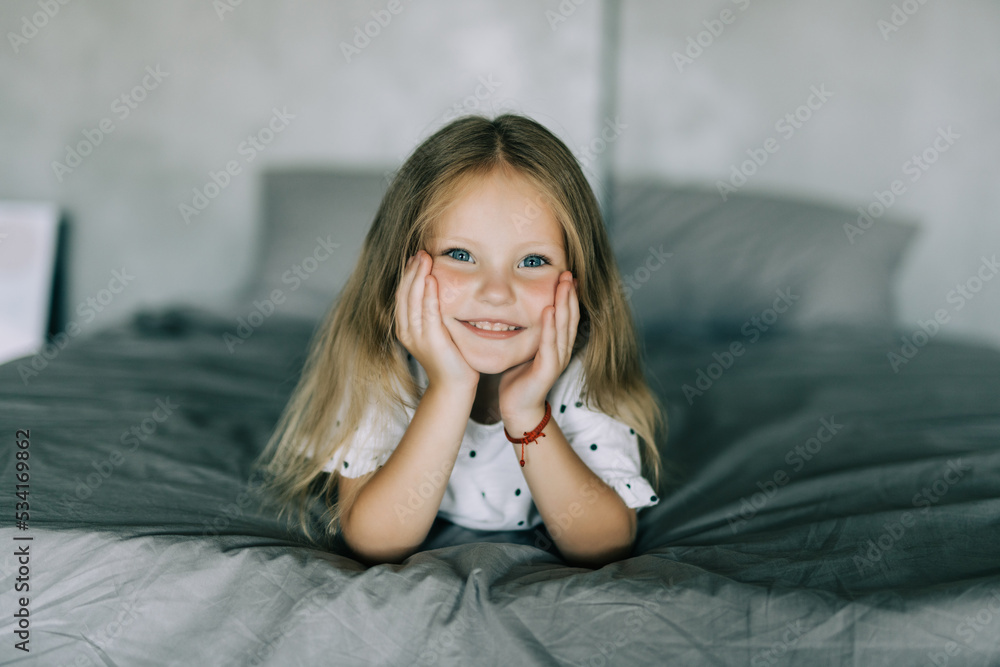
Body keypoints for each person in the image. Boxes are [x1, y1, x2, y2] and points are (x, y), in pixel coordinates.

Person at [252, 113, 667, 568]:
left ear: (580, 279)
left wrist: (527, 412)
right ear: (402, 268)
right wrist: (449, 389)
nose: (495, 291)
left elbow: (604, 544)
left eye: (532, 260)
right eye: (460, 254)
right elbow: (377, 541)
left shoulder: (579, 368)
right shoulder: (383, 363)